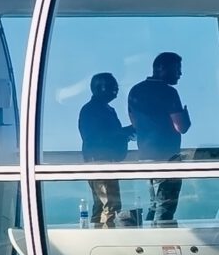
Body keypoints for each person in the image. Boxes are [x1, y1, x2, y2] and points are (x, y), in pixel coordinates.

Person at [126, 52, 190, 225]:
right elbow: (180, 127)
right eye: (177, 69)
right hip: (168, 157)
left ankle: (150, 238)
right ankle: (162, 241)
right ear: (162, 68)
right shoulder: (169, 92)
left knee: (155, 204)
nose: (180, 74)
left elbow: (135, 123)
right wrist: (186, 116)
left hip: (146, 156)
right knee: (165, 207)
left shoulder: (135, 90)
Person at [76, 72, 129, 226]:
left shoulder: (106, 109)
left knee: (104, 204)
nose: (117, 90)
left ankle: (100, 233)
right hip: (99, 161)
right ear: (102, 88)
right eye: (114, 87)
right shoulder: (91, 110)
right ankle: (105, 235)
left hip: (106, 161)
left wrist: (123, 134)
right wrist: (123, 133)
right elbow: (95, 137)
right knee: (109, 205)